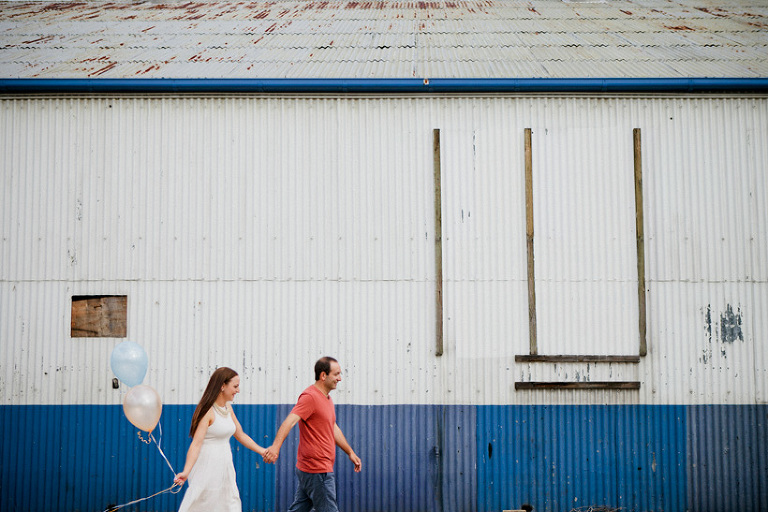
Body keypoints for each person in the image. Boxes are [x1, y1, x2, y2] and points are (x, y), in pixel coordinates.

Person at [263, 356, 362, 512]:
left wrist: (350, 452)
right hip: (317, 469)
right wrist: (275, 447)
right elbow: (289, 422)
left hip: (314, 469)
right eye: (336, 374)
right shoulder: (310, 397)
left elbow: (332, 427)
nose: (340, 378)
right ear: (323, 376)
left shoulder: (326, 398)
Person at [174, 367, 266, 512]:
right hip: (207, 465)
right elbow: (196, 444)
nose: (238, 390)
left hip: (225, 465)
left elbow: (240, 434)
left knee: (229, 503)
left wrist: (263, 451)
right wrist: (186, 471)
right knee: (204, 503)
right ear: (222, 386)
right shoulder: (207, 411)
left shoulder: (228, 409)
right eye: (235, 386)